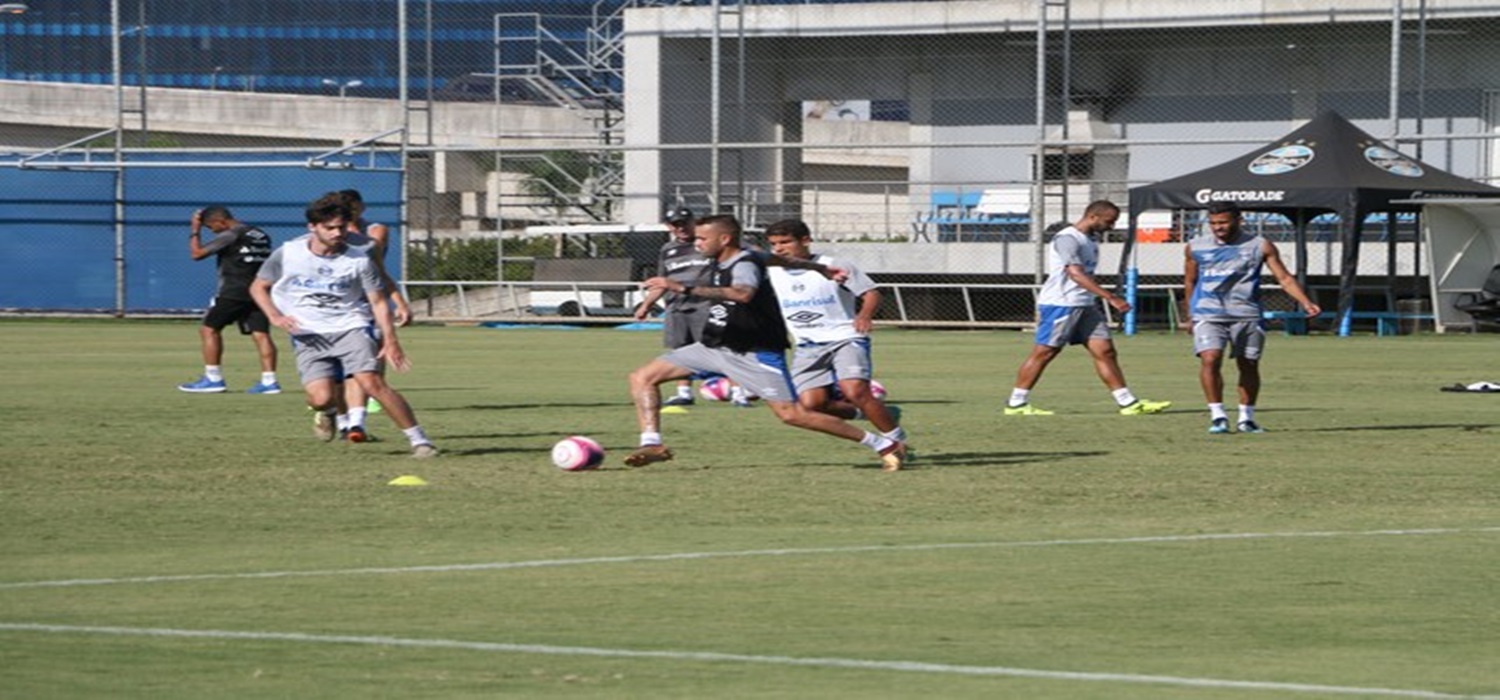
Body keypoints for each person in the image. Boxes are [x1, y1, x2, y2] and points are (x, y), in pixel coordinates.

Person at [625, 214, 908, 471]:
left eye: (702, 238)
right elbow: (779, 260)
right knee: (642, 377)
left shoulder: (744, 264)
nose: (696, 243)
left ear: (724, 239)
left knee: (793, 415)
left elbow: (743, 293)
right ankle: (653, 443)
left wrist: (682, 287)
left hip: (754, 354)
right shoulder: (751, 256)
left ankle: (883, 443)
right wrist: (817, 268)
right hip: (714, 346)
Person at [249, 193, 439, 458]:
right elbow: (258, 287)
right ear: (312, 227)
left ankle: (420, 441)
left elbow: (378, 302)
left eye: (341, 227)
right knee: (320, 398)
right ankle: (327, 412)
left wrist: (391, 339)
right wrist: (274, 316)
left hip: (351, 326)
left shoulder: (359, 259)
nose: (337, 233)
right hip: (308, 334)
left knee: (372, 383)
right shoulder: (288, 253)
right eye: (330, 228)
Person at [1005, 199, 1171, 416]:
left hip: (1084, 304)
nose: (1111, 227)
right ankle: (1016, 403)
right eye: (1109, 221)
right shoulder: (1068, 238)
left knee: (1106, 351)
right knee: (1045, 352)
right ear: (1093, 216)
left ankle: (1128, 403)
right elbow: (1074, 273)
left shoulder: (1090, 239)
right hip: (1061, 304)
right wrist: (1110, 297)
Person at [764, 218, 906, 444]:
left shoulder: (834, 264)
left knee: (855, 391)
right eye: (774, 244)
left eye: (785, 242)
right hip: (807, 344)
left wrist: (864, 315)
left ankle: (897, 441)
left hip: (844, 337)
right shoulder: (772, 271)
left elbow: (871, 293)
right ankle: (879, 414)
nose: (779, 248)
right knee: (811, 404)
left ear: (806, 240)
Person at [1184, 201, 1321, 434]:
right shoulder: (1195, 247)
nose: (1218, 227)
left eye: (1223, 222)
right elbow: (1190, 281)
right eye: (1213, 223)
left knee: (1247, 364)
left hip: (1246, 314)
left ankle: (1246, 418)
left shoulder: (1260, 246)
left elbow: (1284, 278)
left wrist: (1305, 301)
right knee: (1210, 358)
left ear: (1239, 220)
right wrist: (1190, 314)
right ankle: (1217, 415)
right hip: (1208, 313)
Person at [330, 189, 411, 442]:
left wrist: (399, 302)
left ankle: (355, 424)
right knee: (334, 373)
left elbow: (379, 271)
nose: (351, 211)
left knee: (367, 361)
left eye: (353, 207)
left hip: (365, 306)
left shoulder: (373, 234)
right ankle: (336, 413)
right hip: (332, 309)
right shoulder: (323, 236)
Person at [179, 205, 281, 394]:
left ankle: (213, 378)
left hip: (234, 291)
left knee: (208, 329)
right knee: (261, 333)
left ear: (221, 221)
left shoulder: (231, 234)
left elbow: (197, 254)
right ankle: (269, 382)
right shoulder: (260, 233)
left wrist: (195, 230)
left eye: (211, 227)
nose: (212, 231)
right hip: (259, 290)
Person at [633, 206, 714, 407]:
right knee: (680, 350)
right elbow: (662, 281)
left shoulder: (706, 243)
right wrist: (646, 305)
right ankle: (684, 392)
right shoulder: (667, 250)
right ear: (669, 227)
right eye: (676, 225)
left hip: (706, 303)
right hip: (677, 306)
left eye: (685, 223)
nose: (681, 228)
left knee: (717, 346)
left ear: (693, 222)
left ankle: (738, 391)